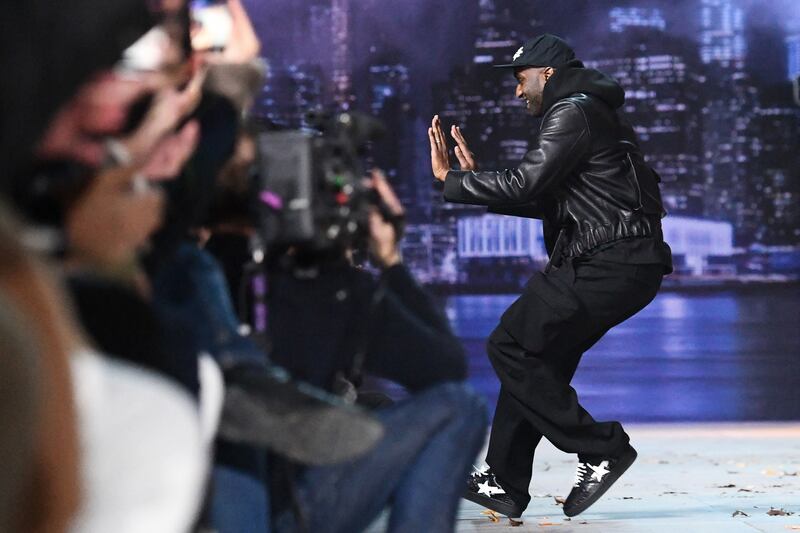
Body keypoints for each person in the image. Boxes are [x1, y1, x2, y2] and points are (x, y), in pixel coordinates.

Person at [428, 33, 672, 518]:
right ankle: (504, 481)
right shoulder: (593, 113)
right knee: (535, 359)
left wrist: (452, 181)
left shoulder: (573, 111)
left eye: (522, 80)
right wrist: (480, 185)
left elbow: (528, 182)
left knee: (509, 346)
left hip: (607, 261)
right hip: (624, 262)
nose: (518, 92)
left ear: (548, 74)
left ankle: (601, 447)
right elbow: (547, 198)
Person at [267, 170, 488, 533]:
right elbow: (446, 368)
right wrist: (390, 262)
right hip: (288, 505)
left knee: (377, 406)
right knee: (460, 406)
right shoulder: (337, 290)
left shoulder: (201, 270)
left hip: (197, 499)